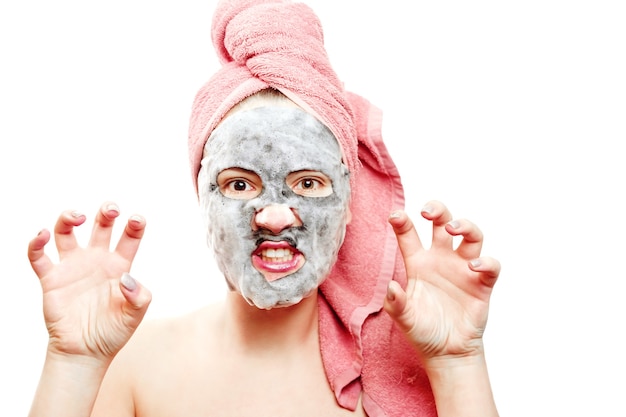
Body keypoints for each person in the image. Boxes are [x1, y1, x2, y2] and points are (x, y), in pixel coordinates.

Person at [27, 1, 501, 416]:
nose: (274, 216)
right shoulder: (136, 367)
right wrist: (73, 363)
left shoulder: (400, 376)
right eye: (239, 183)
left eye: (309, 183)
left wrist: (458, 362)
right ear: (203, 200)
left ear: (349, 204)